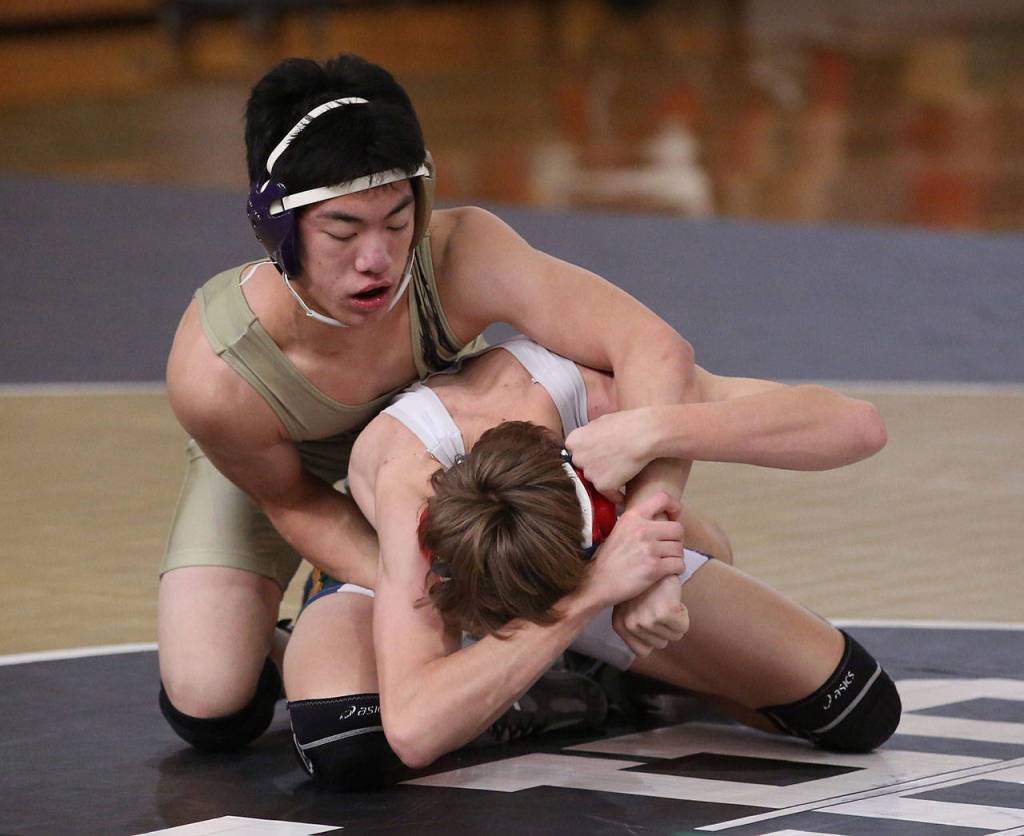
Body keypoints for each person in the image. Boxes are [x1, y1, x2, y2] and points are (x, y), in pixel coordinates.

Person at [159, 54, 699, 754]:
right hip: (286, 467)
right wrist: (441, 589)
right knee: (210, 701)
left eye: (397, 219)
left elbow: (652, 348)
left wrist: (650, 519)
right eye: (344, 232)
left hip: (439, 451)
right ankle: (305, 624)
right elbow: (292, 502)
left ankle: (632, 549)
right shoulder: (217, 369)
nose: (377, 259)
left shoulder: (460, 255)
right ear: (276, 229)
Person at [284, 336, 898, 788]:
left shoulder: (593, 400)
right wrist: (585, 598)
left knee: (855, 707)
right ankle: (563, 668)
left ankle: (602, 669)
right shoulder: (411, 492)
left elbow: (857, 427)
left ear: (595, 489)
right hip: (461, 582)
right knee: (350, 740)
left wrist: (657, 435)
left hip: (603, 568)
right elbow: (413, 730)